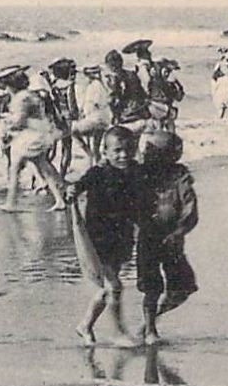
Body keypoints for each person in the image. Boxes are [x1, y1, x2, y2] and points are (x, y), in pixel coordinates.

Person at [65, 126, 142, 347]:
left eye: (128, 150)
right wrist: (71, 191)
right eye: (117, 151)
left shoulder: (136, 171)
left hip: (122, 236)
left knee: (107, 288)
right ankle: (118, 332)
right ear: (105, 153)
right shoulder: (98, 173)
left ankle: (85, 325)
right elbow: (77, 187)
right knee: (114, 286)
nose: (123, 155)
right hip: (97, 238)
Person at [135, 130, 199, 345]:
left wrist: (180, 231)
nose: (146, 156)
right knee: (152, 287)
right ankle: (150, 329)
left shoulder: (179, 177)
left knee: (183, 288)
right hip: (148, 237)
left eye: (152, 152)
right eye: (146, 152)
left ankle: (149, 322)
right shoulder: (140, 174)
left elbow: (190, 209)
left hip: (173, 238)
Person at [2, 71, 67, 211]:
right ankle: (60, 199)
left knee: (15, 167)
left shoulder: (20, 98)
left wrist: (8, 121)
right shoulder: (31, 95)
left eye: (7, 85)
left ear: (12, 86)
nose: (5, 88)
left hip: (30, 136)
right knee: (43, 166)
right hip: (41, 133)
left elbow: (20, 120)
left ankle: (11, 203)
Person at [41, 58, 80, 178]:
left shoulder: (52, 86)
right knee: (67, 148)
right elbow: (71, 104)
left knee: (50, 150)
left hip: (54, 119)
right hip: (66, 119)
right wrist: (76, 114)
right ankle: (61, 176)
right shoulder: (69, 85)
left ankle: (44, 176)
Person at [72, 64, 114, 165]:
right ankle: (95, 164)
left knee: (73, 131)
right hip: (101, 119)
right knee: (96, 147)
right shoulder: (97, 85)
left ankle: (88, 154)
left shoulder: (95, 85)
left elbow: (96, 103)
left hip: (96, 119)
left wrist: (85, 113)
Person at [147, 58, 184, 133]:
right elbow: (178, 97)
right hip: (160, 109)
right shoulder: (157, 83)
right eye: (167, 71)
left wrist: (178, 85)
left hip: (163, 110)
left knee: (166, 129)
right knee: (163, 129)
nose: (168, 74)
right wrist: (177, 84)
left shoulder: (165, 83)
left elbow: (179, 97)